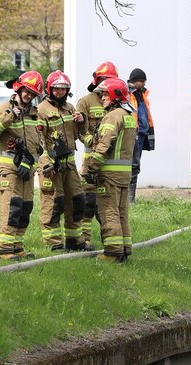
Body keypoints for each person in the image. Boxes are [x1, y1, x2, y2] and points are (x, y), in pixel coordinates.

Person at [0, 70, 46, 261]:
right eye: (26, 91)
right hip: (9, 169)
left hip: (27, 169)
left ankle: (17, 246)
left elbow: (39, 143)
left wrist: (33, 162)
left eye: (32, 93)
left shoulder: (34, 114)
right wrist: (9, 116)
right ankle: (4, 248)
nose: (28, 95)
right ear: (19, 88)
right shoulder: (4, 108)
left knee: (25, 207)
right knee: (12, 207)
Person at [82, 77, 137, 263]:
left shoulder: (112, 116)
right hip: (123, 175)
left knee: (108, 212)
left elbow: (104, 145)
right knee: (121, 212)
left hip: (109, 176)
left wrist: (91, 169)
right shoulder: (128, 116)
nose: (102, 97)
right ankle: (124, 250)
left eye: (105, 94)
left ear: (115, 95)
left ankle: (112, 253)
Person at [36, 70, 88, 251]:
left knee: (76, 200)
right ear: (49, 89)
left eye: (64, 89)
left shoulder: (70, 108)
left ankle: (75, 241)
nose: (60, 92)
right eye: (57, 89)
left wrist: (82, 121)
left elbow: (79, 135)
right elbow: (38, 141)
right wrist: (45, 164)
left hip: (69, 164)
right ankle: (54, 244)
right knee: (53, 203)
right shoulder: (41, 110)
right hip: (52, 165)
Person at [76, 62, 118, 248]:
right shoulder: (85, 102)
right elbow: (79, 132)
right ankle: (85, 239)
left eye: (110, 80)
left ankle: (109, 240)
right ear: (96, 80)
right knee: (88, 201)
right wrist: (91, 142)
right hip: (91, 159)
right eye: (103, 79)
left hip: (111, 162)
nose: (105, 83)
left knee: (108, 203)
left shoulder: (116, 101)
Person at [127, 67, 155, 203]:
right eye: (142, 81)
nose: (144, 84)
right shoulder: (127, 94)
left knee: (135, 165)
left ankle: (131, 198)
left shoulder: (141, 94)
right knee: (132, 165)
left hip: (141, 134)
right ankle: (129, 199)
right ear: (136, 81)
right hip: (133, 134)